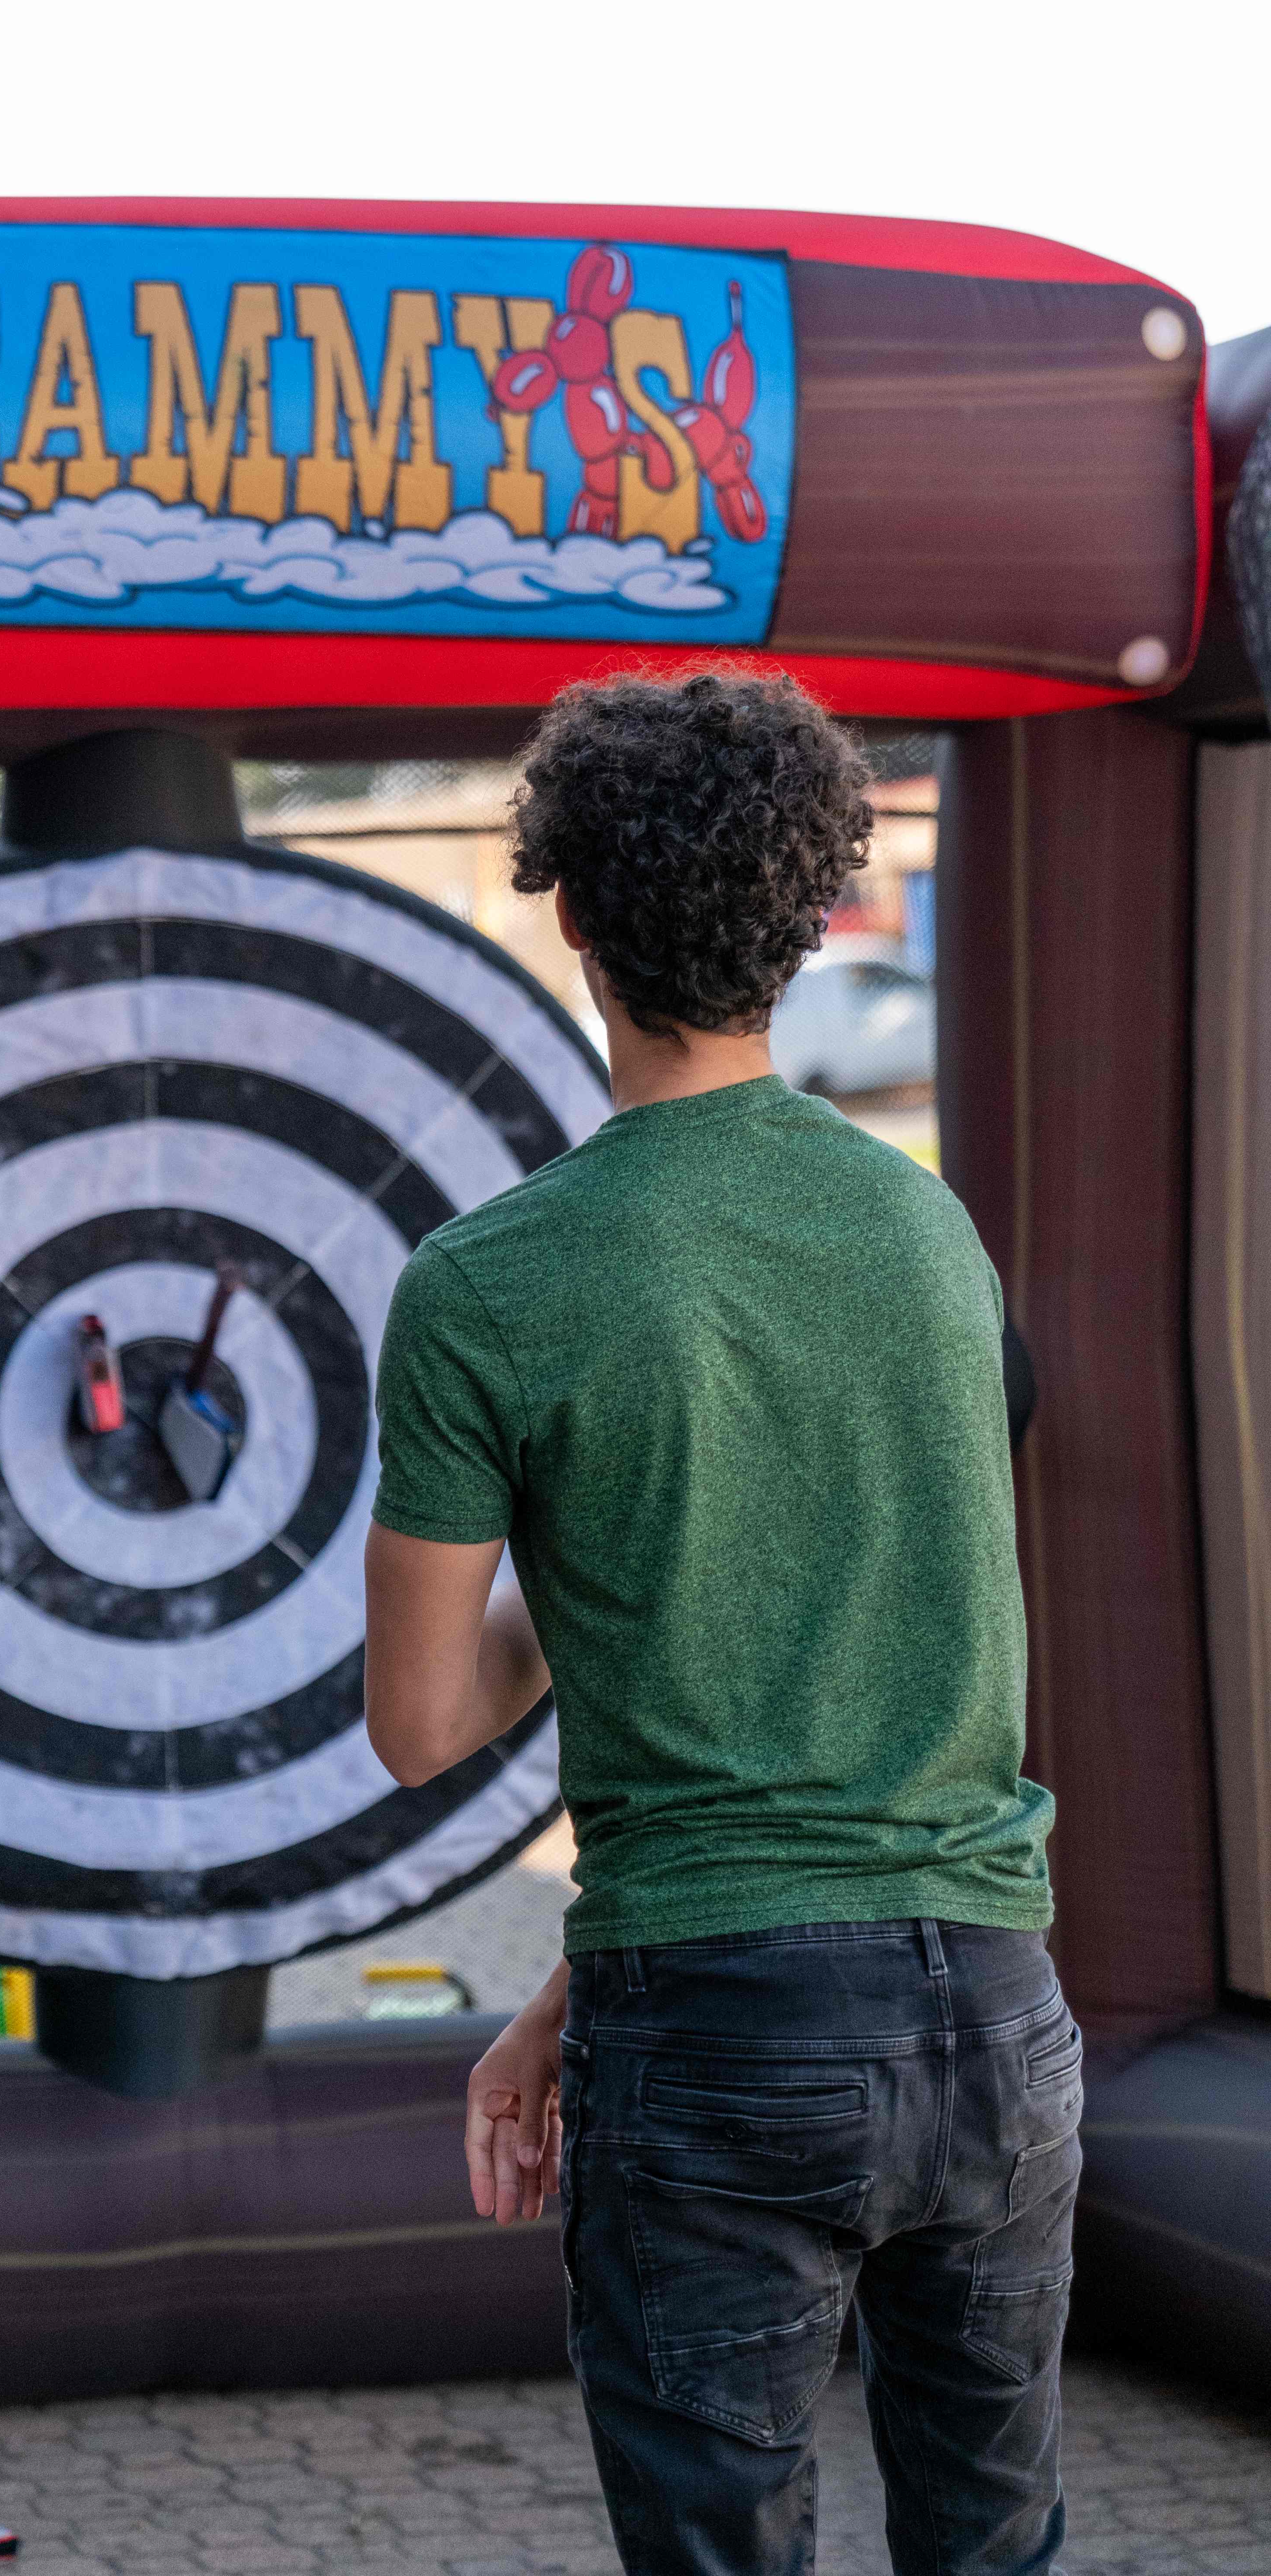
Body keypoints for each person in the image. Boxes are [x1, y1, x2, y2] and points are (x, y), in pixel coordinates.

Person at [363, 670, 1075, 2576]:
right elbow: (846, 1710)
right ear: (804, 912)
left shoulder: (485, 1285)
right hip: (1000, 2012)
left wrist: (572, 1576)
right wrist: (558, 1997)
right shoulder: (925, 1232)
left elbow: (425, 1722)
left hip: (720, 2038)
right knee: (993, 2548)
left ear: (571, 914)